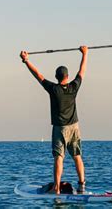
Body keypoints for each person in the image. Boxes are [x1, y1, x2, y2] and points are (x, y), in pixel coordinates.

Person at [20, 46, 88, 194]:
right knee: (77, 156)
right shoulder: (74, 87)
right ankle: (82, 185)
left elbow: (38, 75)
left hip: (60, 128)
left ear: (56, 77)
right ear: (67, 77)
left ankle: (56, 189)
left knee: (59, 158)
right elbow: (82, 71)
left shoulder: (53, 89)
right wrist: (85, 54)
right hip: (75, 127)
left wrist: (26, 61)